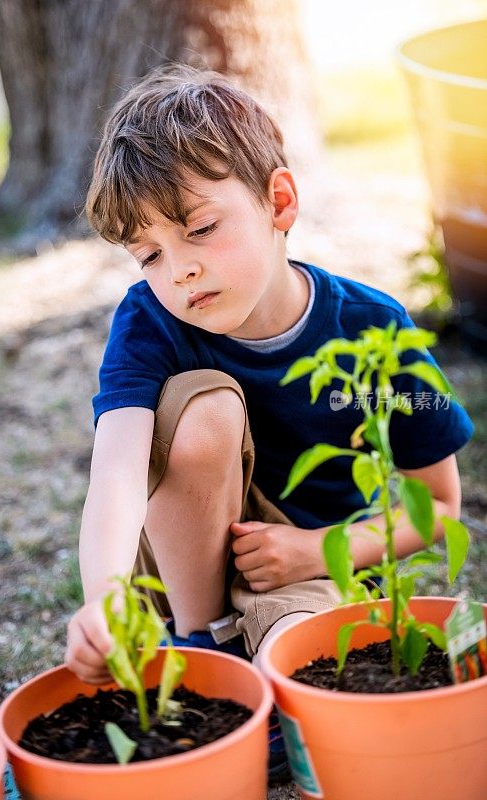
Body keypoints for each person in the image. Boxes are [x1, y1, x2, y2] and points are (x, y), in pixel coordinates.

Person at [65, 64, 473, 783]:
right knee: (206, 405)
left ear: (278, 201)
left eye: (199, 229)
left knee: (303, 653)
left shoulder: (378, 330)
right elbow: (117, 473)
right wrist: (101, 599)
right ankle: (207, 648)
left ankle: (265, 665)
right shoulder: (147, 320)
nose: (180, 271)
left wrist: (318, 551)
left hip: (300, 563)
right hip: (177, 558)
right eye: (150, 253)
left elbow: (437, 506)